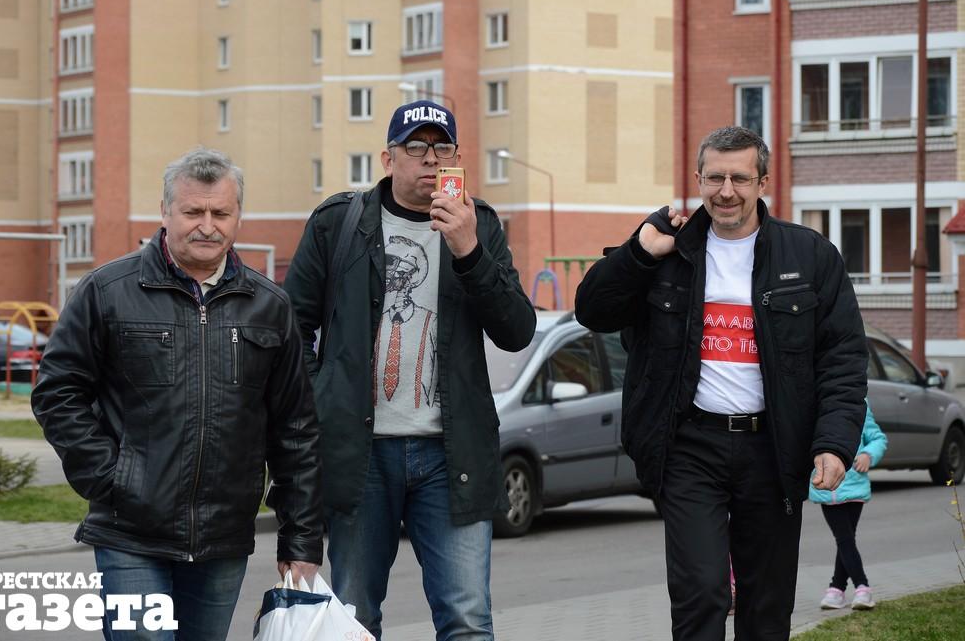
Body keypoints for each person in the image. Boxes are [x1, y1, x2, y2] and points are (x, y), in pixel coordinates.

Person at [574, 126, 868, 641]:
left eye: (739, 178)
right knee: (702, 596)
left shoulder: (809, 255)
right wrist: (638, 251)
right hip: (690, 448)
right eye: (714, 178)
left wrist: (834, 443)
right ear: (698, 179)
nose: (726, 191)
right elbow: (592, 310)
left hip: (773, 451)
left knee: (766, 609)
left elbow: (842, 358)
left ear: (762, 182)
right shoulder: (668, 252)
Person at [31, 147, 323, 641]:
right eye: (193, 212)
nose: (207, 226)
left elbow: (294, 428)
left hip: (223, 537)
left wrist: (301, 538)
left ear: (238, 216)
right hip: (130, 530)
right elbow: (58, 391)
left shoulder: (270, 307)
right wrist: (109, 478)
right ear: (165, 212)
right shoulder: (107, 290)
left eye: (220, 213)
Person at [283, 99, 536, 640]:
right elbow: (291, 327)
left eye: (442, 148)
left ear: (457, 159)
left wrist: (469, 251)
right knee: (354, 618)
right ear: (388, 158)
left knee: (467, 620)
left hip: (451, 455)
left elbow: (516, 330)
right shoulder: (338, 223)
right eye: (415, 146)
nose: (430, 159)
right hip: (361, 454)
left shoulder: (479, 225)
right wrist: (321, 395)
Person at [812, 401, 887, 611]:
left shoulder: (858, 405)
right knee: (845, 539)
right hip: (825, 488)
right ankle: (841, 588)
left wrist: (868, 455)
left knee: (844, 540)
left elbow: (878, 438)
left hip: (854, 487)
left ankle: (855, 588)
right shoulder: (812, 406)